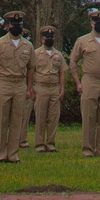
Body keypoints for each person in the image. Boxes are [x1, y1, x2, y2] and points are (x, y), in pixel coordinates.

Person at [0, 11, 34, 163]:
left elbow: (31, 68)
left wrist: (29, 88)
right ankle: (0, 154)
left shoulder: (28, 45)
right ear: (8, 26)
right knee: (1, 121)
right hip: (3, 84)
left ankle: (13, 155)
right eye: (13, 24)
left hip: (20, 84)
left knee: (17, 121)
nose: (16, 27)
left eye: (19, 25)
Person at [70, 4, 100, 158]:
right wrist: (78, 82)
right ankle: (88, 150)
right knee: (89, 117)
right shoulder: (82, 41)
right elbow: (73, 62)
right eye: (96, 21)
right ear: (91, 23)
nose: (99, 24)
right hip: (89, 80)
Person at [32, 25, 66, 153]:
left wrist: (62, 89)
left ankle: (51, 144)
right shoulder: (35, 53)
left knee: (53, 118)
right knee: (40, 117)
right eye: (47, 37)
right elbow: (31, 71)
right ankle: (39, 145)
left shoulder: (58, 55)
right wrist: (31, 88)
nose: (49, 39)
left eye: (51, 37)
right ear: (42, 39)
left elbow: (62, 73)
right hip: (41, 88)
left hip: (55, 89)